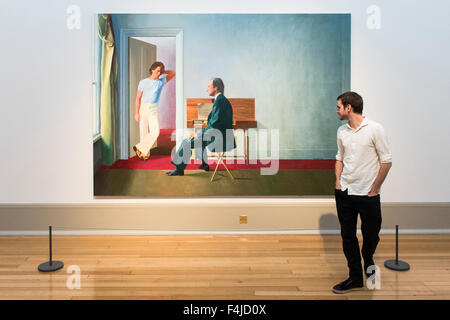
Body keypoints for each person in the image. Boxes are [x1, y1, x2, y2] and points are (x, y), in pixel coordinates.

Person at [332, 91, 392, 294]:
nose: (337, 110)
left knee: (371, 235)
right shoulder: (342, 131)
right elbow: (339, 157)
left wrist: (375, 188)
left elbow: (386, 161)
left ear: (349, 107)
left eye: (339, 106)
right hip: (345, 192)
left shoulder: (375, 129)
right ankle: (355, 277)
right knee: (347, 236)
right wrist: (338, 182)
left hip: (368, 195)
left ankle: (368, 258)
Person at [166, 78, 236, 176]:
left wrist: (197, 133)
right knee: (199, 139)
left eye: (209, 86)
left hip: (219, 138)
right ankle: (204, 164)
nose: (206, 89)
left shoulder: (220, 101)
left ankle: (179, 169)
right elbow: (214, 124)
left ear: (216, 88)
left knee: (186, 142)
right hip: (219, 135)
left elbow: (214, 124)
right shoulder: (221, 100)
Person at [133, 61, 176, 160]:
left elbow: (174, 72)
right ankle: (144, 154)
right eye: (157, 71)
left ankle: (139, 147)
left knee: (155, 132)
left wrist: (163, 70)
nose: (159, 73)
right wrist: (136, 113)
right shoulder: (143, 82)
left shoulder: (161, 82)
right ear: (152, 70)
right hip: (143, 108)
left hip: (153, 108)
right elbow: (138, 98)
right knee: (143, 131)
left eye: (160, 72)